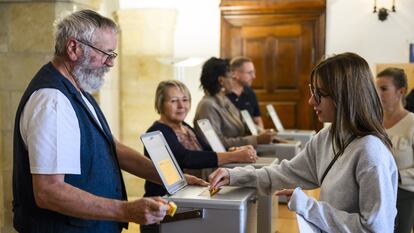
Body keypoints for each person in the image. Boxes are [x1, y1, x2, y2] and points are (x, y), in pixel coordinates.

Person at [12, 10, 205, 233]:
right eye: (106, 53)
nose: (110, 63)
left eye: (113, 55)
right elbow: (49, 192)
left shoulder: (78, 90)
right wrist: (125, 210)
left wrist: (175, 178)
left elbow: (112, 148)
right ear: (73, 48)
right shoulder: (52, 100)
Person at [209, 52, 398, 232]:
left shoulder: (371, 151)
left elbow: (376, 229)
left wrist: (308, 206)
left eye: (319, 94)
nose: (310, 101)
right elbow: (284, 173)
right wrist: (234, 175)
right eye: (312, 91)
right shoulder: (328, 137)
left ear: (343, 95)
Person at [141, 80, 257, 233]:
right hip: (162, 210)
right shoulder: (157, 130)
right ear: (160, 103)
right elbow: (186, 158)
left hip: (188, 204)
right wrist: (233, 156)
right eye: (174, 101)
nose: (181, 106)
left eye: (185, 100)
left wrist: (234, 150)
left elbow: (206, 151)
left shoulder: (186, 127)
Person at [193, 57, 277, 149]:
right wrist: (256, 140)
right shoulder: (207, 105)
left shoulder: (224, 100)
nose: (234, 80)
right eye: (231, 77)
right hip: (226, 161)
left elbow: (244, 122)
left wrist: (264, 133)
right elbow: (216, 144)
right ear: (221, 80)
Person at [375, 67, 414, 233]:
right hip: (375, 192)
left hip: (404, 196)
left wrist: (395, 176)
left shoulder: (412, 123)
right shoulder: (373, 122)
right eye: (376, 89)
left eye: (384, 89)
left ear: (401, 91)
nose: (378, 94)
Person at [227, 56, 264, 129]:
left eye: (254, 72)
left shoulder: (250, 93)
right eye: (250, 73)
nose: (254, 76)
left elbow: (258, 121)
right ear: (235, 74)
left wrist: (261, 136)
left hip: (252, 137)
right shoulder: (223, 96)